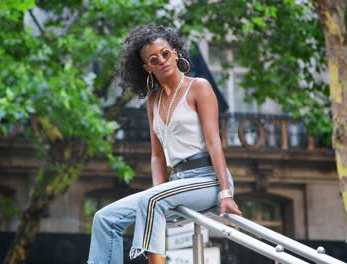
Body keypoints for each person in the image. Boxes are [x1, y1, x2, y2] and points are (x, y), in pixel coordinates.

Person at [87, 25, 242, 264]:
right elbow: (157, 156)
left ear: (176, 53)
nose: (162, 60)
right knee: (104, 218)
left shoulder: (198, 87)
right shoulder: (153, 100)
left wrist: (225, 193)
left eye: (165, 53)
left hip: (207, 180)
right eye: (154, 59)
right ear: (147, 68)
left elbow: (214, 143)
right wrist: (157, 192)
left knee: (152, 200)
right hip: (175, 185)